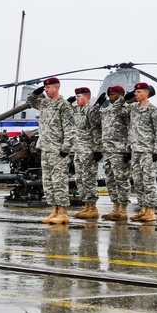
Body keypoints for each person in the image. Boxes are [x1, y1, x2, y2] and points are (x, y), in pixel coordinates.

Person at [26, 77, 75, 225]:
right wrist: (36, 92)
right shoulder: (45, 104)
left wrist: (65, 148)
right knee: (48, 182)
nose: (46, 90)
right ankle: (54, 210)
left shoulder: (64, 106)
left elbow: (70, 129)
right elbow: (31, 101)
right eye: (45, 88)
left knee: (59, 181)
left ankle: (63, 212)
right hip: (45, 148)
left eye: (48, 88)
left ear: (57, 87)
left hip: (58, 150)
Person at [126, 83, 157, 223]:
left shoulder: (153, 110)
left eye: (139, 92)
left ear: (146, 93)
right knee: (138, 181)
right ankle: (143, 209)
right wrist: (126, 98)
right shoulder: (133, 109)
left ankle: (151, 211)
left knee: (148, 181)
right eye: (135, 92)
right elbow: (118, 110)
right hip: (135, 150)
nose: (136, 94)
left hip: (148, 151)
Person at [98, 86, 131, 221]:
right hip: (107, 150)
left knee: (121, 180)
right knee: (110, 180)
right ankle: (115, 207)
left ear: (121, 94)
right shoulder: (107, 111)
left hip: (120, 150)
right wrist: (97, 105)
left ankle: (123, 209)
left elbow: (131, 129)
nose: (110, 96)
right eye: (109, 94)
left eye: (113, 94)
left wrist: (129, 149)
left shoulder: (126, 110)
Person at [71, 87, 103, 220]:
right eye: (76, 96)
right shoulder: (77, 111)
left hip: (89, 150)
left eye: (79, 96)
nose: (77, 99)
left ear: (87, 97)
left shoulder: (92, 111)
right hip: (78, 150)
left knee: (89, 179)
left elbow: (97, 130)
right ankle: (86, 206)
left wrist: (98, 149)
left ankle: (92, 207)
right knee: (79, 179)